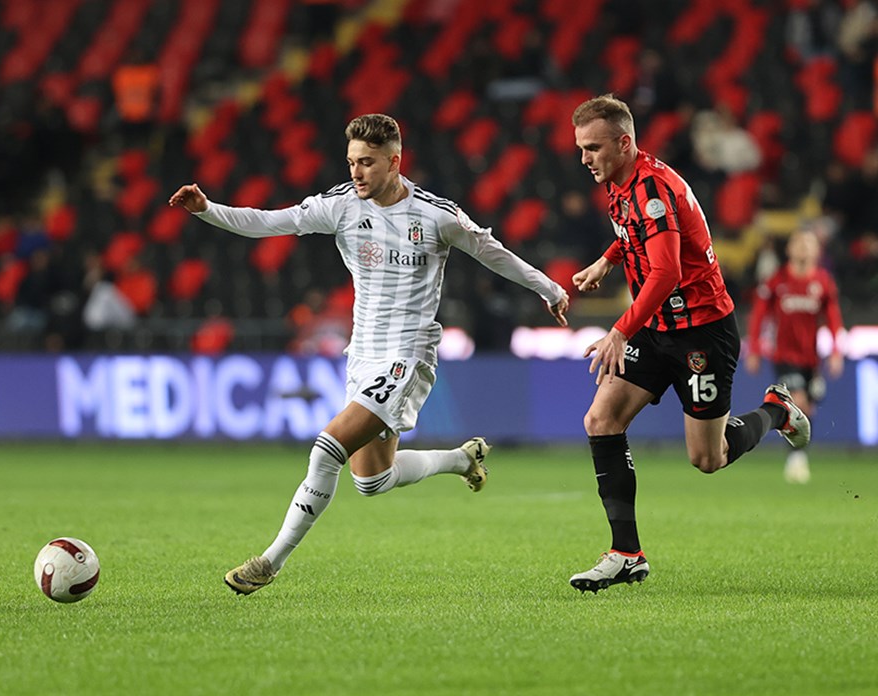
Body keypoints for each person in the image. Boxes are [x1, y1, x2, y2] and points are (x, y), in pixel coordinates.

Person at [169, 113, 570, 595]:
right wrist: (207, 209)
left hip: (408, 353)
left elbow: (492, 252)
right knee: (371, 480)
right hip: (362, 353)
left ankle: (270, 561)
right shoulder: (340, 206)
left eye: (368, 163)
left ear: (395, 162)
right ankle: (462, 460)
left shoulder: (435, 214)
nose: (357, 172)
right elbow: (270, 222)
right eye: (352, 162)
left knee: (327, 447)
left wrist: (549, 289)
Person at [568, 95, 810, 593]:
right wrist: (607, 260)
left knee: (708, 458)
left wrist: (619, 330)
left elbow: (667, 271)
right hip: (658, 330)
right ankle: (625, 553)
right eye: (581, 149)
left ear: (623, 142)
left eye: (592, 148)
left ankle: (775, 410)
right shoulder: (620, 183)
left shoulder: (653, 187)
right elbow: (633, 234)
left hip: (702, 330)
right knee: (601, 420)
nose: (585, 158)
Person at [746, 230, 844, 484]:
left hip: (812, 359)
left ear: (817, 251)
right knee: (798, 401)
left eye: (808, 244)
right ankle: (796, 459)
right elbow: (758, 315)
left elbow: (833, 318)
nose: (803, 248)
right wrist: (754, 349)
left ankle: (797, 455)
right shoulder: (777, 281)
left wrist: (835, 350)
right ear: (789, 250)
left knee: (808, 408)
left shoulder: (823, 282)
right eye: (798, 243)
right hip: (784, 356)